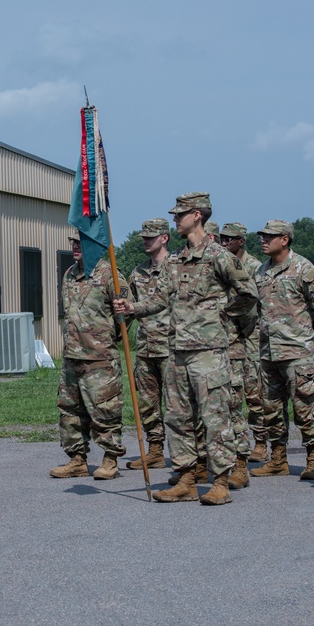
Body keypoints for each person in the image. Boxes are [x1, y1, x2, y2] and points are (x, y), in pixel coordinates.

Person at [115, 193, 258, 505]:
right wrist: (133, 307)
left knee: (215, 418)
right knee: (178, 419)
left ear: (197, 216)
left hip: (209, 353)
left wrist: (222, 314)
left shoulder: (220, 256)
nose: (175, 220)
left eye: (180, 215)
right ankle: (187, 479)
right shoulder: (176, 260)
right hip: (177, 353)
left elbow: (248, 293)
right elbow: (160, 299)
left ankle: (220, 481)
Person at [50, 230, 131, 481]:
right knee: (70, 410)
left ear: (95, 245)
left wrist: (105, 340)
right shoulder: (70, 274)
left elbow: (125, 315)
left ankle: (110, 458)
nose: (75, 246)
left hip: (99, 359)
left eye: (80, 242)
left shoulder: (111, 276)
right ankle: (77, 459)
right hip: (72, 356)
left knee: (105, 410)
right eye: (72, 242)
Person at [250, 220, 314, 480]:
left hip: (297, 352)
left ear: (284, 239)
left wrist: (308, 334)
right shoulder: (260, 271)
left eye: (269, 236)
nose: (263, 240)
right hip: (268, 352)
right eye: (262, 235)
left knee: (305, 408)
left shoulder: (304, 269)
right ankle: (278, 458)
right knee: (271, 409)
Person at [125, 219, 173, 470]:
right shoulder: (138, 272)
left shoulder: (176, 268)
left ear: (164, 238)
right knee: (147, 402)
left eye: (150, 237)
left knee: (178, 405)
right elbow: (130, 309)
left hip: (172, 347)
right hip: (145, 348)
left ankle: (188, 455)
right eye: (143, 236)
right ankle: (155, 450)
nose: (145, 240)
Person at [219, 222, 266, 465]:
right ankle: (237, 443)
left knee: (254, 391)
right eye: (221, 239)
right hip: (230, 335)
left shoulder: (254, 266)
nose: (224, 242)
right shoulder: (221, 264)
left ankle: (260, 441)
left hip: (252, 335)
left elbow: (258, 302)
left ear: (241, 241)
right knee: (232, 393)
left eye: (229, 239)